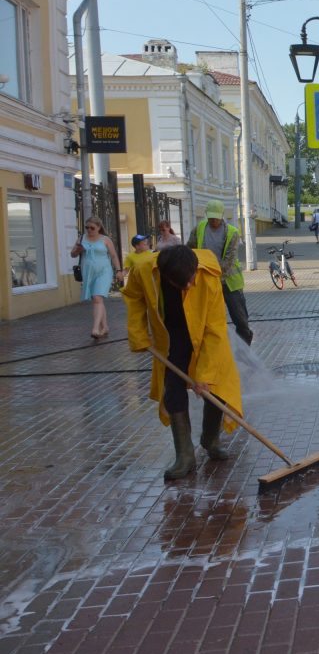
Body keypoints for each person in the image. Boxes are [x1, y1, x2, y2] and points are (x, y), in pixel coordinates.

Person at [123, 245, 243, 479]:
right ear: (165, 275)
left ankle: (210, 439)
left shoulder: (207, 275)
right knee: (173, 388)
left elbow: (215, 328)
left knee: (216, 387)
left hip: (205, 332)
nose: (189, 286)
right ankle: (185, 455)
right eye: (182, 284)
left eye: (190, 280)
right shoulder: (144, 269)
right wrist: (138, 333)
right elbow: (134, 297)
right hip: (172, 335)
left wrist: (205, 376)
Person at [187, 200, 253, 346]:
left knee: (240, 317)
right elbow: (190, 249)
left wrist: (215, 275)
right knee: (208, 317)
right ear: (206, 215)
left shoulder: (232, 232)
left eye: (216, 218)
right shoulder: (199, 228)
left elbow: (229, 260)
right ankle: (211, 347)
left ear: (222, 216)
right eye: (210, 218)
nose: (213, 221)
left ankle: (244, 344)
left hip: (229, 281)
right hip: (206, 280)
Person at [70, 216, 122, 339]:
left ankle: (95, 328)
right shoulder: (82, 238)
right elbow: (72, 254)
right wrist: (78, 249)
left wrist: (119, 270)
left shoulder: (105, 240)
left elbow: (114, 256)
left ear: (98, 227)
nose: (89, 230)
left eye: (92, 228)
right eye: (87, 227)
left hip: (104, 271)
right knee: (97, 300)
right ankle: (105, 327)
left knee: (97, 297)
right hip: (88, 272)